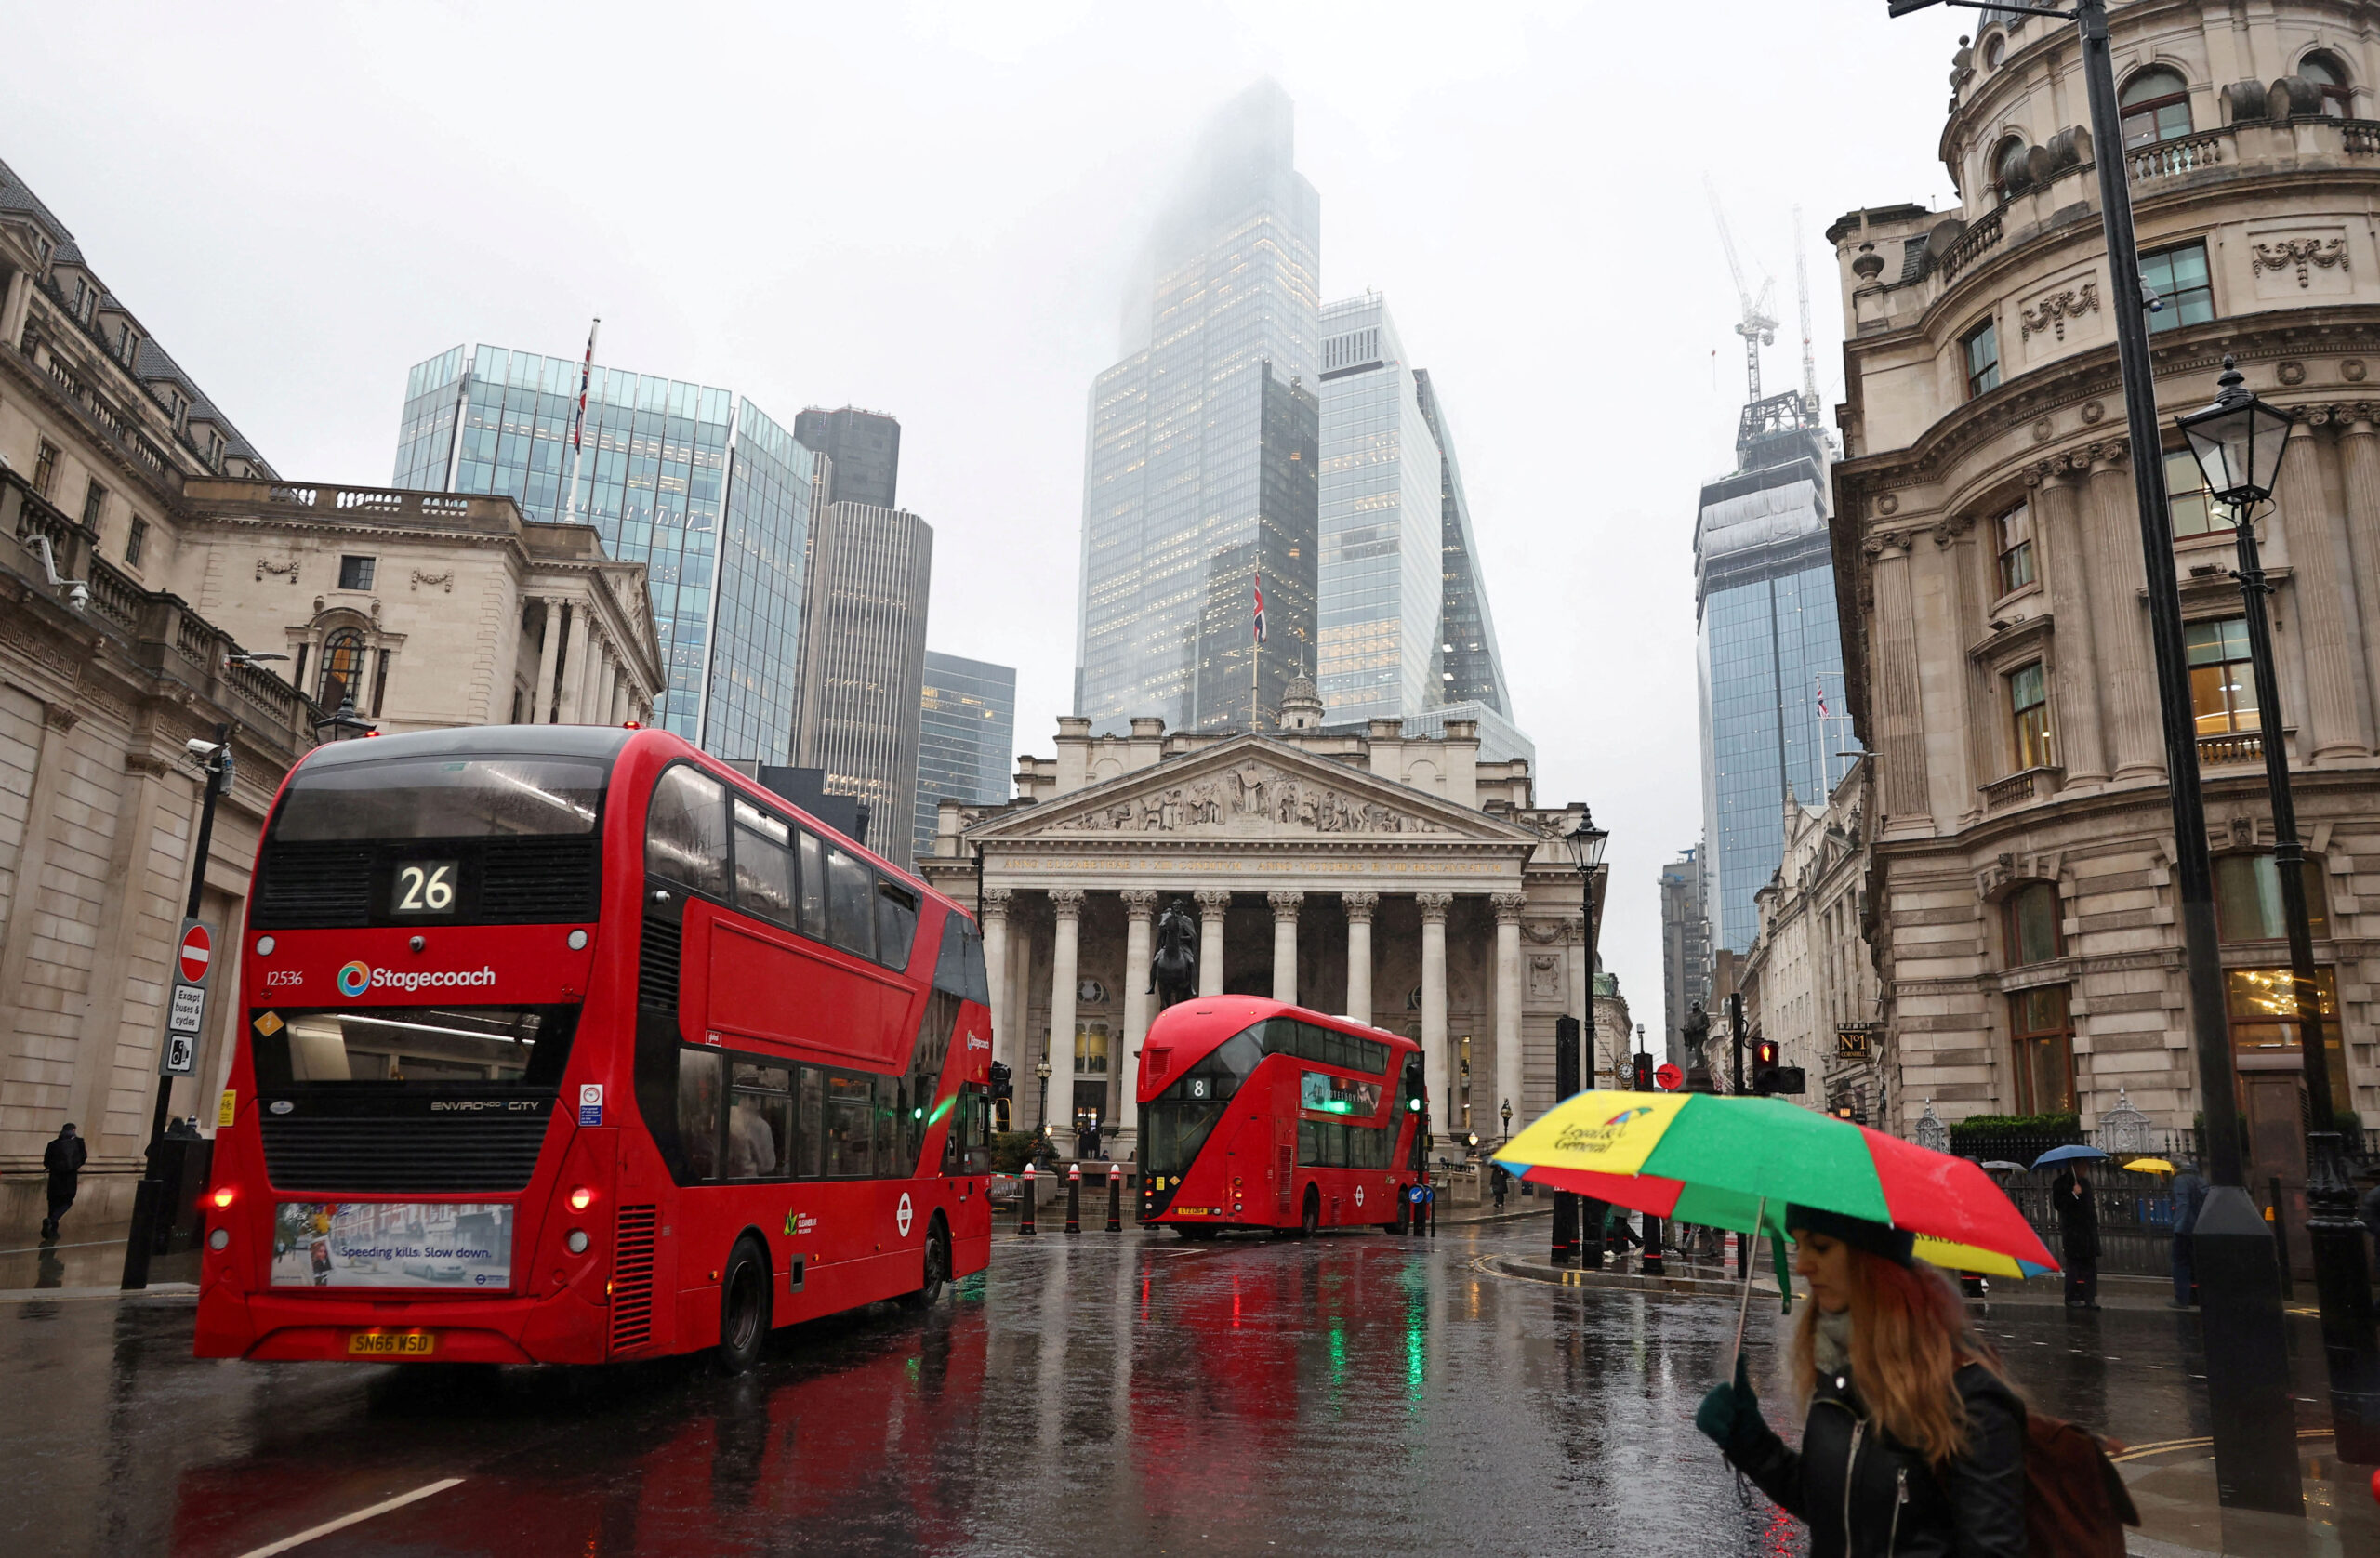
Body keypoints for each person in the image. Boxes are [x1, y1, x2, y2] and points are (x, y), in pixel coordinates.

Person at [1696, 1205, 2028, 1557]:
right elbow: (1837, 1506)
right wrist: (1751, 1442)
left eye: (1820, 1246)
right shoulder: (1835, 1371)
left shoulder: (1970, 1400)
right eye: (1798, 1247)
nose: (1802, 1265)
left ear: (1873, 1260)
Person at [2051, 1163, 2100, 1310]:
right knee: (2074, 1265)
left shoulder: (2085, 1183)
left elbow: (2090, 1206)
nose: (2085, 1169)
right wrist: (2073, 1194)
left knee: (2090, 1265)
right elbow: (2058, 1204)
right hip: (2073, 1230)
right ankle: (2071, 1296)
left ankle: (2090, 1297)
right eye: (2082, 1166)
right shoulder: (2060, 1183)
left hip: (2087, 1230)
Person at [2168, 1158, 2209, 1309]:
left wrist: (2178, 1227)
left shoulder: (2180, 1180)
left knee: (2180, 1263)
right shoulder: (2200, 1178)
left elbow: (2183, 1203)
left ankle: (2182, 1298)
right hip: (2200, 1227)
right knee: (2197, 1263)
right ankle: (2197, 1296)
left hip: (2185, 1228)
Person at [40, 1123, 86, 1241]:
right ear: (74, 1130)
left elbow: (46, 1161)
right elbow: (83, 1158)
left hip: (55, 1178)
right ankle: (52, 1222)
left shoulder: (53, 1144)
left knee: (53, 1204)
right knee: (67, 1202)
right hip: (69, 1178)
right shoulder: (79, 1142)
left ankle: (52, 1231)